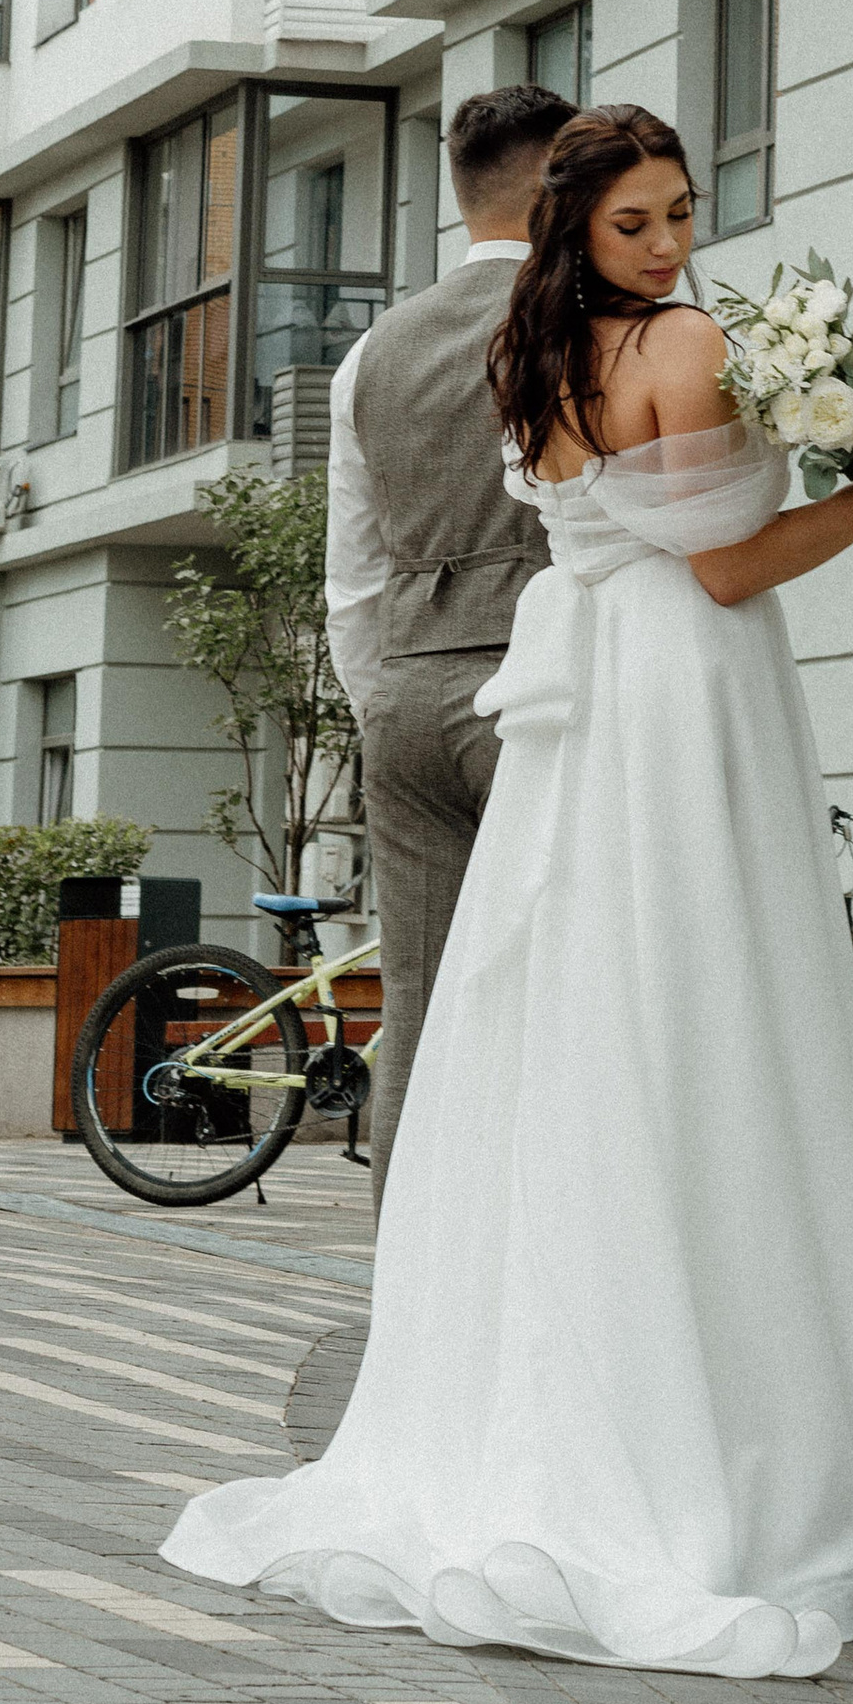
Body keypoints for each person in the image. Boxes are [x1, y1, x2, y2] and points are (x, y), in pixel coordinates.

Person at [164, 102, 853, 1675]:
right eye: (641, 222)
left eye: (684, 213)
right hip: (677, 693)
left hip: (535, 694)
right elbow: (730, 568)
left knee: (532, 1013)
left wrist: (372, 698)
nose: (674, 245)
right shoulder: (679, 345)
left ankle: (500, 1377)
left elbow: (376, 558)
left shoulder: (512, 354)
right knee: (702, 1014)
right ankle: (709, 1448)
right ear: (572, 226)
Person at [323, 80, 574, 1190]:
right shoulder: (585, 313)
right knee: (576, 997)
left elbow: (353, 575)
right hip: (549, 693)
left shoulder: (371, 352)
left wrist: (383, 704)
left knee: (421, 1004)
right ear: (553, 182)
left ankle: (409, 1288)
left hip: (411, 707)